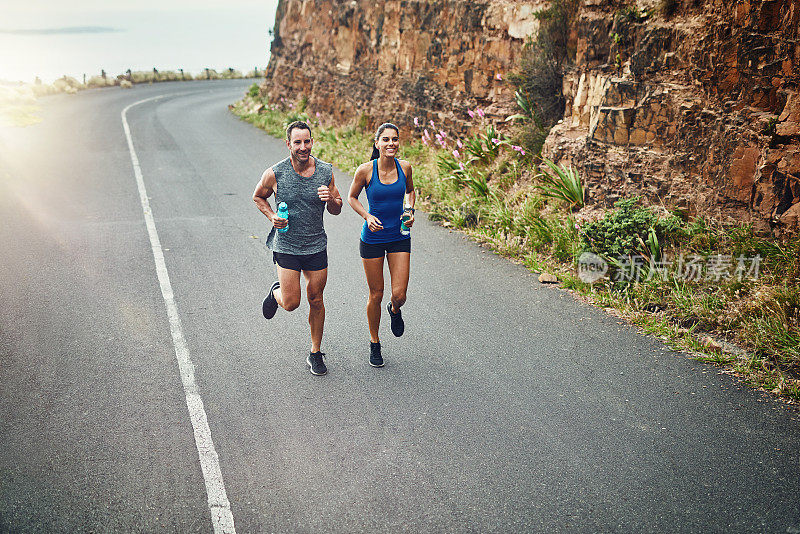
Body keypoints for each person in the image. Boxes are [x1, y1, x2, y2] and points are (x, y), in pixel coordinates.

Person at [253, 121, 343, 376]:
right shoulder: (276, 173)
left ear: (312, 142)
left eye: (307, 141)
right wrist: (271, 216)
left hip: (316, 244)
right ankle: (276, 293)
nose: (303, 147)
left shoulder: (325, 171)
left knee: (316, 298)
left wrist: (331, 200)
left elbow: (337, 207)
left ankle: (315, 352)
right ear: (288, 144)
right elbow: (258, 196)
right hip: (287, 244)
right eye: (297, 142)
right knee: (292, 303)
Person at [347, 122, 416, 368]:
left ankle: (394, 310)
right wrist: (367, 216)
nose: (391, 144)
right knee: (375, 293)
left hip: (399, 235)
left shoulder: (405, 167)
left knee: (400, 294)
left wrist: (409, 209)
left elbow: (410, 191)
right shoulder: (365, 171)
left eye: (394, 139)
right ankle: (375, 343)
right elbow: (351, 197)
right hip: (373, 238)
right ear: (377, 143)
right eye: (385, 139)